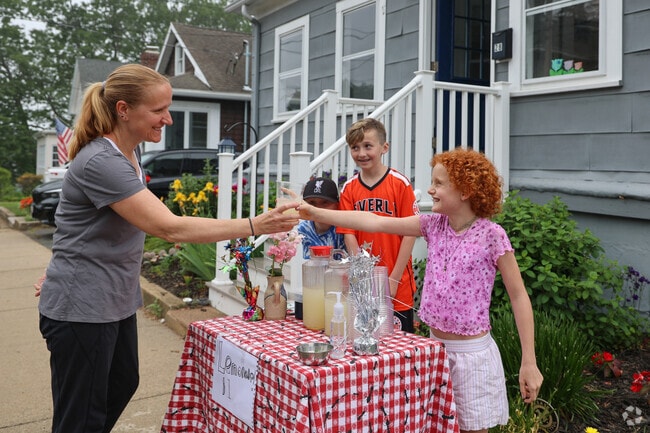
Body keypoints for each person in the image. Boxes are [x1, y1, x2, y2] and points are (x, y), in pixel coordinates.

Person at [35, 64, 299, 433]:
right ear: (123, 110)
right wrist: (257, 224)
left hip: (111, 300)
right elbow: (168, 226)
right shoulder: (102, 160)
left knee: (121, 383)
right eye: (158, 110)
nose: (168, 119)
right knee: (81, 416)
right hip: (84, 306)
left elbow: (82, 225)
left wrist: (60, 266)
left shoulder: (129, 152)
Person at [299, 147, 544, 433]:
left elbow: (518, 295)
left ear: (465, 190)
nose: (430, 189)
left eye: (439, 183)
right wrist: (314, 211)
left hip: (471, 358)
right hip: (432, 350)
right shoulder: (432, 226)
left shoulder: (492, 235)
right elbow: (374, 221)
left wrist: (529, 361)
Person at [338, 117, 418, 333]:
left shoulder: (400, 184)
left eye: (367, 146)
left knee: (401, 348)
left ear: (384, 147)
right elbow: (348, 234)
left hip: (397, 282)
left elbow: (411, 233)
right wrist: (363, 276)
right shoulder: (349, 189)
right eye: (355, 147)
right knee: (366, 340)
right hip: (364, 285)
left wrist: (393, 279)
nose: (361, 153)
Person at [296, 177, 345, 258]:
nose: (317, 208)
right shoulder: (303, 229)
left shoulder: (344, 227)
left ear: (337, 205)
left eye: (325, 202)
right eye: (312, 202)